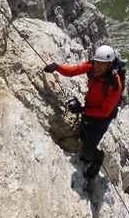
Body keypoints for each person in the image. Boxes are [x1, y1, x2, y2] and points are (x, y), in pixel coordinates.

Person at [43, 44, 122, 179]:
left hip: (103, 117)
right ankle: (88, 156)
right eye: (97, 62)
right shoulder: (92, 67)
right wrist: (56, 67)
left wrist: (83, 110)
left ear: (110, 65)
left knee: (87, 151)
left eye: (102, 64)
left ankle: (97, 159)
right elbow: (73, 71)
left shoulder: (115, 84)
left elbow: (104, 113)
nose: (98, 66)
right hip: (89, 107)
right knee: (83, 135)